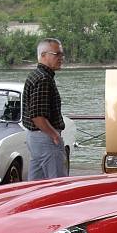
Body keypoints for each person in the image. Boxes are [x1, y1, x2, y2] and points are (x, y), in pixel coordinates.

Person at [22, 38, 68, 180]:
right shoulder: (43, 79)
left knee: (36, 184)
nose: (61, 58)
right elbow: (37, 116)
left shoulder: (36, 75)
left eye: (61, 54)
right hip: (45, 138)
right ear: (43, 55)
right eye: (56, 54)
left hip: (35, 137)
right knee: (57, 184)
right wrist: (54, 135)